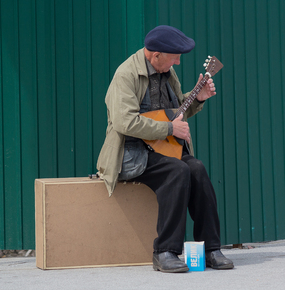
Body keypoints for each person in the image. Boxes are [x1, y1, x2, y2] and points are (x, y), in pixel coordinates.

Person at [96, 25, 234, 273]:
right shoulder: (125, 75)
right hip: (131, 153)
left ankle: (211, 249)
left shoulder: (167, 72)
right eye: (174, 57)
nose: (178, 63)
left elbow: (176, 112)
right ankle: (165, 251)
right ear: (155, 55)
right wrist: (169, 131)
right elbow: (124, 122)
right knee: (177, 171)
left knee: (197, 169)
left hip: (163, 150)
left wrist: (198, 97)